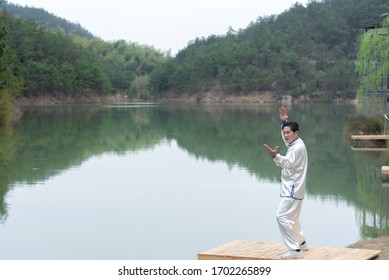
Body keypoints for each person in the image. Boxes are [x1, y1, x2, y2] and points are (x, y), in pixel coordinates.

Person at [263, 107, 309, 259]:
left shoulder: (297, 148)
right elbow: (287, 140)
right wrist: (284, 122)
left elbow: (287, 163)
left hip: (292, 190)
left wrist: (274, 156)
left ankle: (295, 250)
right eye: (284, 132)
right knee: (293, 218)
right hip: (298, 189)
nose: (285, 135)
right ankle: (302, 243)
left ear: (297, 133)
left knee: (281, 216)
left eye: (288, 132)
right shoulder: (297, 143)